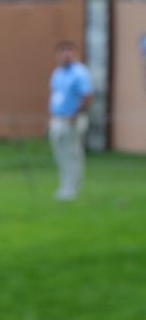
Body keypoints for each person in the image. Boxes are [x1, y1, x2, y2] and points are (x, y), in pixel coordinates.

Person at [49, 40, 93, 201]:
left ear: (75, 54)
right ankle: (64, 187)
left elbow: (87, 96)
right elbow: (55, 97)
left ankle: (73, 189)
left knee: (72, 154)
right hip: (58, 118)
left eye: (70, 51)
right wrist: (52, 118)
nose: (66, 55)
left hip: (73, 119)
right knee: (60, 155)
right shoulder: (57, 73)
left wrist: (76, 114)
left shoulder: (80, 73)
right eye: (62, 51)